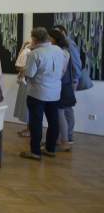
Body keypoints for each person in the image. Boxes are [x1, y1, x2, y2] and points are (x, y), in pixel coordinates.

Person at [20, 27, 67, 161]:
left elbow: (30, 74)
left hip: (38, 93)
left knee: (36, 122)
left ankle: (35, 152)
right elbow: (62, 69)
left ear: (35, 39)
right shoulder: (58, 50)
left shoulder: (35, 53)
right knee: (53, 121)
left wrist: (23, 70)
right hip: (55, 92)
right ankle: (50, 149)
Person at [53, 24, 82, 144]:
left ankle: (68, 136)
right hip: (67, 81)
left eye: (57, 32)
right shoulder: (62, 46)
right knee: (65, 109)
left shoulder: (69, 44)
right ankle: (64, 136)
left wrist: (74, 80)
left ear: (63, 32)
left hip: (69, 81)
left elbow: (77, 63)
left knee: (66, 108)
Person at [48, 29, 75, 152]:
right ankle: (59, 140)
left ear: (55, 39)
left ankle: (64, 141)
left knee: (60, 113)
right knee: (59, 113)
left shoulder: (63, 52)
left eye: (49, 37)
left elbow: (61, 71)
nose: (47, 40)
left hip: (61, 87)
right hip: (61, 86)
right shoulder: (61, 51)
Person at [13, 41, 32, 137]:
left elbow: (19, 65)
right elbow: (18, 63)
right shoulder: (28, 50)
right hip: (26, 81)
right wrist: (23, 46)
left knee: (28, 106)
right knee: (26, 106)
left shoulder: (31, 52)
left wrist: (22, 70)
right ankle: (29, 128)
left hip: (28, 82)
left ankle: (30, 129)